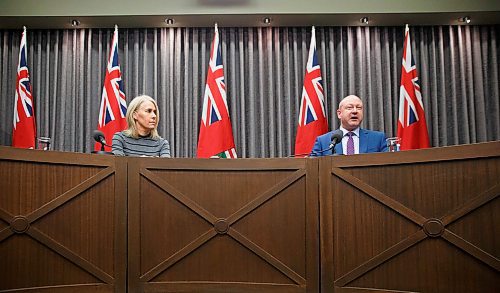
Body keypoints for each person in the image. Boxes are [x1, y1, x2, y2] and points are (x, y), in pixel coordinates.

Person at [310, 95, 387, 156]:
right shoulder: (323, 141)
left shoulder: (378, 138)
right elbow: (312, 166)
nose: (355, 111)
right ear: (339, 114)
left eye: (359, 108)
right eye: (349, 108)